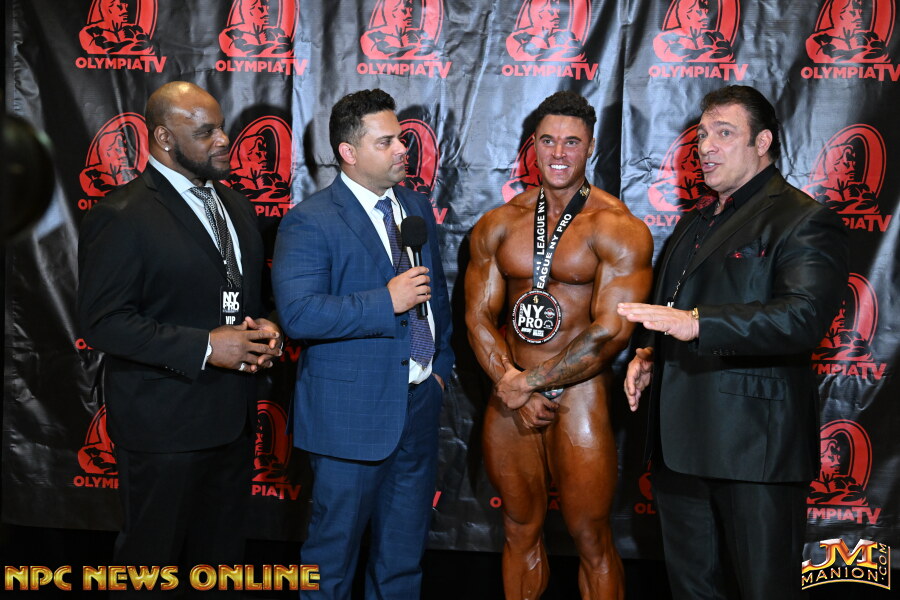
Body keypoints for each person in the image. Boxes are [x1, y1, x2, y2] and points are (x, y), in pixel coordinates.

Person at [618, 85, 849, 600]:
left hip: (754, 452)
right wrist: (650, 353)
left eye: (724, 133)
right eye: (702, 135)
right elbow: (672, 309)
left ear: (761, 143)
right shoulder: (694, 221)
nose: (706, 147)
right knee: (691, 592)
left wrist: (698, 324)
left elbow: (803, 318)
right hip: (679, 449)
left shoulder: (803, 219)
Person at [78, 81, 282, 583]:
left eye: (222, 128)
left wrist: (265, 326)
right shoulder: (122, 214)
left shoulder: (236, 205)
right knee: (149, 568)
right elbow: (103, 322)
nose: (223, 140)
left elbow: (241, 296)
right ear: (164, 138)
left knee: (220, 568)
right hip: (162, 430)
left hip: (233, 422)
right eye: (206, 132)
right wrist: (206, 346)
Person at [466, 91, 653, 600]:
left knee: (591, 537)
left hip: (579, 395)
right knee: (518, 529)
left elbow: (610, 332)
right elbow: (478, 316)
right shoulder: (500, 223)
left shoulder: (617, 227)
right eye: (548, 140)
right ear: (533, 145)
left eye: (572, 142)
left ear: (590, 147)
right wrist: (512, 383)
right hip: (510, 392)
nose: (558, 152)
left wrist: (531, 384)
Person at [271, 88, 453, 600]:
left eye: (402, 138)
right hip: (349, 418)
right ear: (348, 152)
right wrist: (385, 301)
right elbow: (299, 315)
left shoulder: (414, 207)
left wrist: (438, 372)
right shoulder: (310, 220)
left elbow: (437, 300)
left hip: (418, 406)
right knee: (331, 561)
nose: (402, 149)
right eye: (386, 141)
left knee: (402, 561)